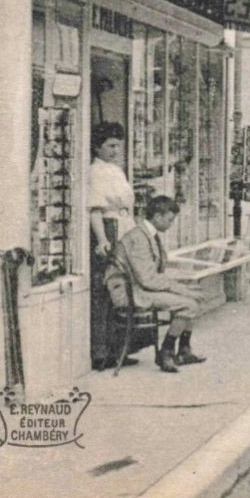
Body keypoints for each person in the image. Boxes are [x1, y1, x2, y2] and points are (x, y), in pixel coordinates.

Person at [106, 196, 205, 373]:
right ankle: (165, 352)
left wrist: (184, 288)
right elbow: (148, 279)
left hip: (139, 287)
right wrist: (182, 289)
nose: (171, 224)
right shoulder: (138, 238)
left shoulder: (147, 235)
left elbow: (152, 275)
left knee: (195, 296)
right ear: (158, 217)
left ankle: (184, 350)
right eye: (170, 220)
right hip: (130, 292)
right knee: (189, 304)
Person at [88, 123, 139, 370]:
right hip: (109, 228)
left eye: (118, 145)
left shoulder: (116, 170)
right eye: (110, 145)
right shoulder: (95, 172)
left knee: (122, 288)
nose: (115, 150)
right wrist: (102, 239)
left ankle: (120, 348)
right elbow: (95, 209)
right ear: (97, 146)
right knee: (105, 289)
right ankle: (101, 351)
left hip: (124, 226)